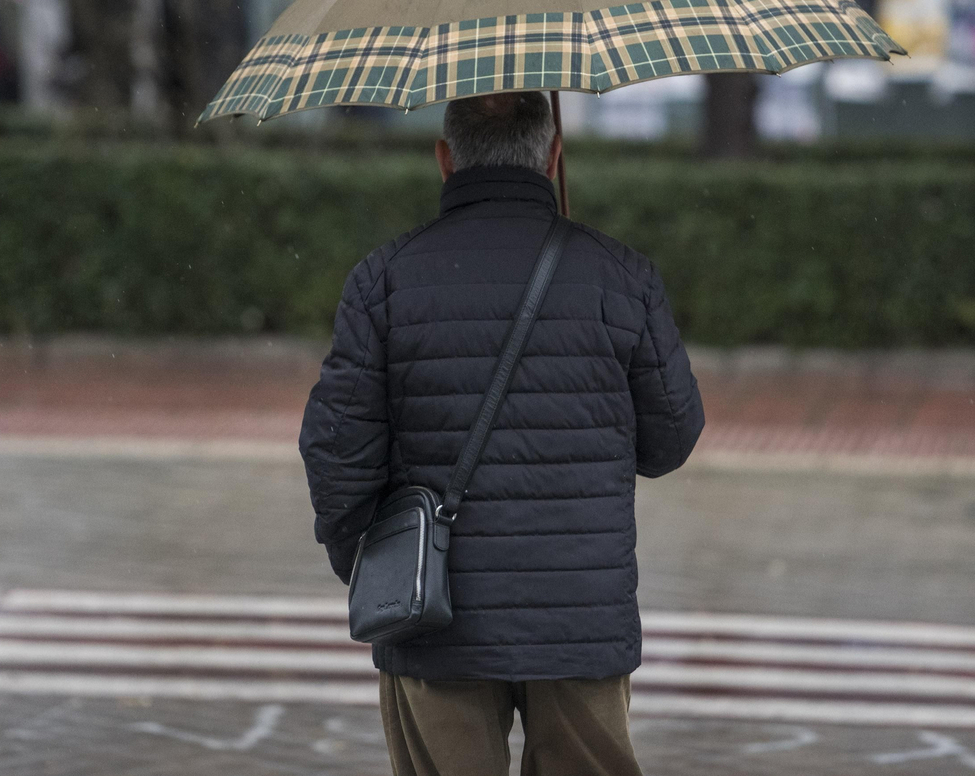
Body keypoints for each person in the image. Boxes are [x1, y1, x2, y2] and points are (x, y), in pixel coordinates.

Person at [300, 92, 706, 776]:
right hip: (581, 620)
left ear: (444, 160)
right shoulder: (623, 276)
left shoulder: (384, 282)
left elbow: (337, 453)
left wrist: (370, 565)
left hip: (433, 619)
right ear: (553, 157)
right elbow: (671, 439)